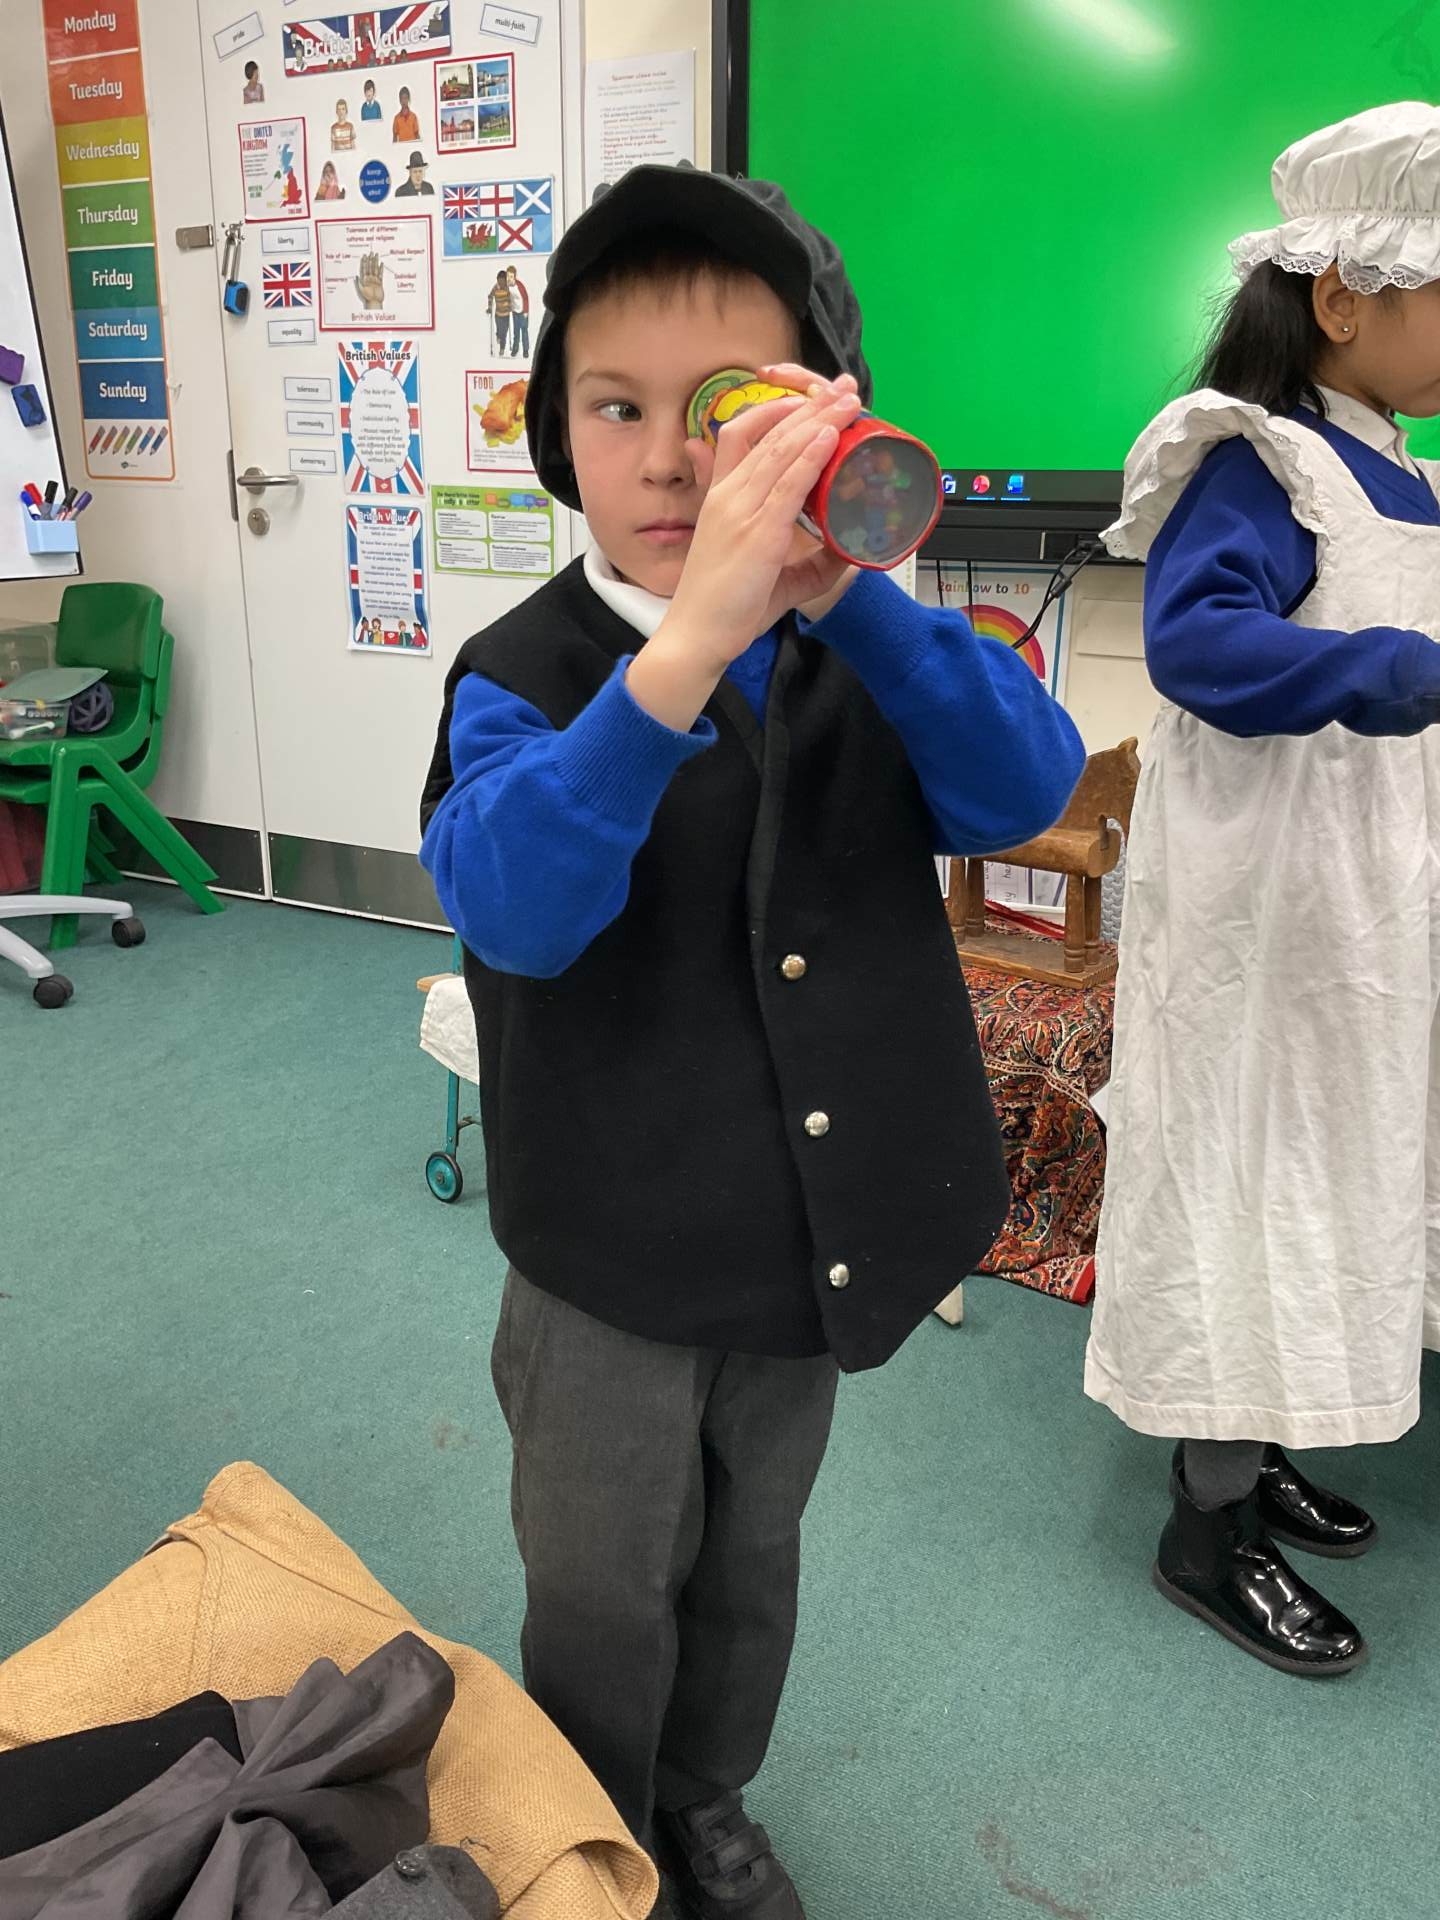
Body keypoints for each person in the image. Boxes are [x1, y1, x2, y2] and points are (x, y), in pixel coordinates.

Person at [419, 161, 1083, 1920]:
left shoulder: (871, 644)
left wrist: (845, 587)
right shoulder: (520, 671)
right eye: (614, 407)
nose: (669, 461)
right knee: (601, 1580)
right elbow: (518, 906)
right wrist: (687, 650)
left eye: (725, 409)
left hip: (805, 1238)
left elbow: (1022, 788)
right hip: (609, 1260)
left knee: (751, 1554)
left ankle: (704, 1794)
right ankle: (594, 1833)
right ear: (558, 431)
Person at [1087, 102, 1440, 1677]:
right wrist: (1395, 670)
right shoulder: (1255, 457)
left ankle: (1264, 1436)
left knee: (1330, 1172)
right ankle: (1205, 1523)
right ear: (1346, 297)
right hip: (1263, 909)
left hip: (1355, 903)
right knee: (1249, 1177)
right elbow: (1198, 645)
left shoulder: (1400, 466)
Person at [505, 265, 530, 356]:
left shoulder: (519, 286)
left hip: (523, 311)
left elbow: (525, 298)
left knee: (524, 331)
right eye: (508, 276)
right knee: (516, 331)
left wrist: (526, 311)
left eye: (511, 276)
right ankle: (515, 349)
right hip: (515, 311)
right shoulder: (507, 287)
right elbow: (508, 298)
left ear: (514, 277)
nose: (509, 278)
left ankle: (525, 350)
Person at [486, 270, 512, 355]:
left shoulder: (508, 288)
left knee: (504, 332)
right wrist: (489, 308)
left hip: (506, 315)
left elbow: (511, 298)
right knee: (500, 330)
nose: (500, 283)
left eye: (502, 281)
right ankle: (499, 338)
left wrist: (510, 306)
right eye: (499, 280)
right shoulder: (496, 287)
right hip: (498, 314)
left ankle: (502, 347)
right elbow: (490, 296)